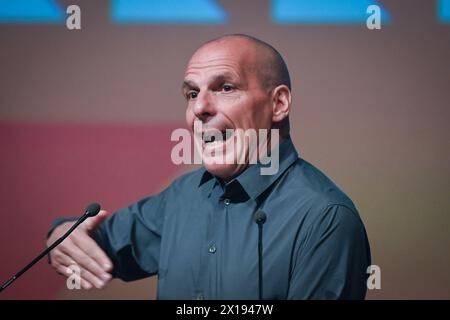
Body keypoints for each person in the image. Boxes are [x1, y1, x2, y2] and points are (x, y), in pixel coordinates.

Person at [47, 34, 371, 299]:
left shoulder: (326, 218)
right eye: (191, 93)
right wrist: (60, 236)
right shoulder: (181, 196)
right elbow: (90, 241)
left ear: (278, 103)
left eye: (225, 87)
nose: (199, 107)